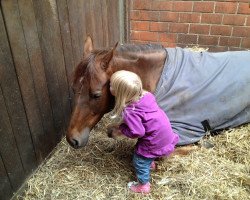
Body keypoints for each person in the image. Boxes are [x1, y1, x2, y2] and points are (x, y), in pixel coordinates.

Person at [108, 70, 179, 194]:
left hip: (154, 140)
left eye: (111, 85)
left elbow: (137, 132)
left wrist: (123, 129)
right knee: (147, 156)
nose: (108, 86)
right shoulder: (146, 96)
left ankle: (143, 186)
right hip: (164, 133)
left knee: (139, 160)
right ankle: (150, 162)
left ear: (119, 93)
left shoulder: (130, 111)